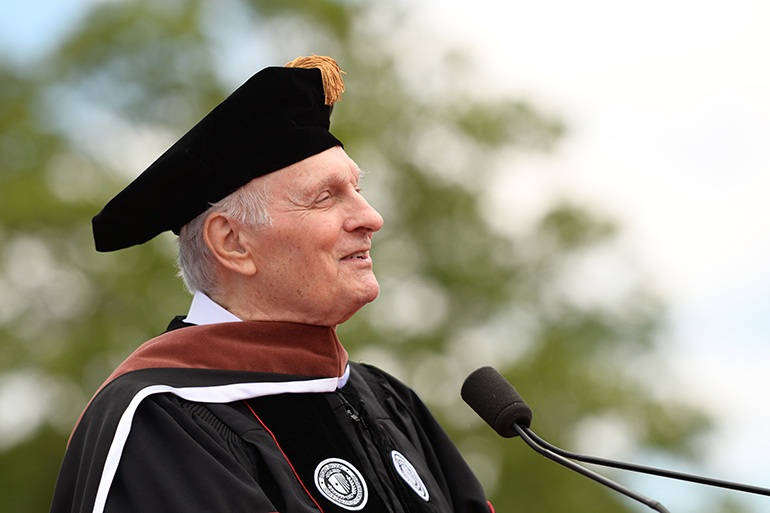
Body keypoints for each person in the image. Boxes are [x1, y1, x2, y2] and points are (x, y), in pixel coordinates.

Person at [50, 55, 492, 513]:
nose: (370, 217)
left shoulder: (387, 401)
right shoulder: (163, 423)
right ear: (233, 242)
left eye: (358, 190)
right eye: (326, 198)